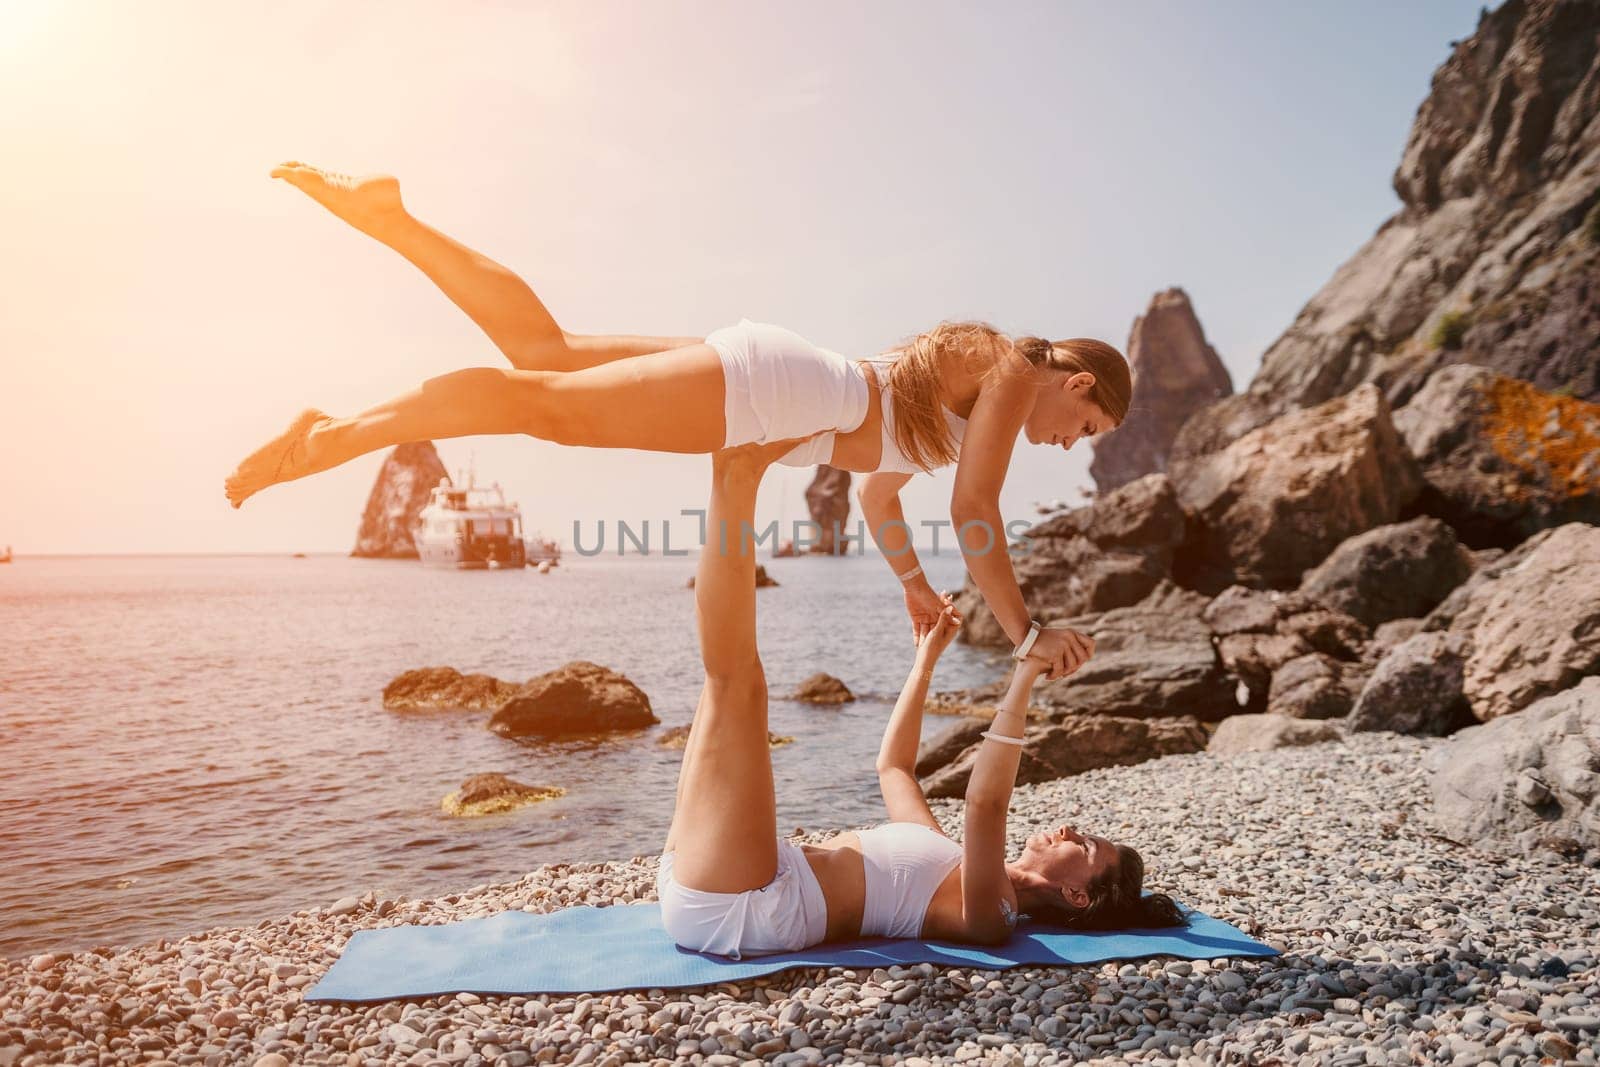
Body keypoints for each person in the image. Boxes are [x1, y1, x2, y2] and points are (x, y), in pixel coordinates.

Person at [224, 163, 1132, 675]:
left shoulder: (970, 395)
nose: (1066, 446)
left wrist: (910, 585)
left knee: (546, 352)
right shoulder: (1016, 366)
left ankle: (391, 216)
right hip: (783, 392)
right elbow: (977, 509)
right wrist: (1025, 632)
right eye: (1084, 432)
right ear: (1081, 384)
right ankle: (330, 438)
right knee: (544, 410)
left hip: (789, 379)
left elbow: (879, 497)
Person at [655, 436, 1184, 958]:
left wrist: (1024, 673)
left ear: (1077, 895)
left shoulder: (992, 913)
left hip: (747, 905)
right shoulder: (946, 855)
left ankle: (738, 463)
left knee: (738, 681)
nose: (1070, 829)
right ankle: (733, 457)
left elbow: (986, 803)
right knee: (718, 685)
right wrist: (925, 661)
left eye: (1085, 846)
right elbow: (895, 768)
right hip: (722, 875)